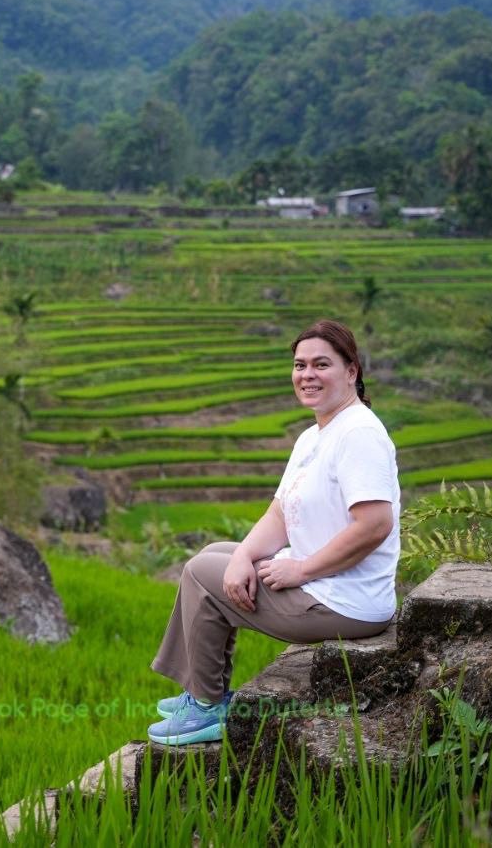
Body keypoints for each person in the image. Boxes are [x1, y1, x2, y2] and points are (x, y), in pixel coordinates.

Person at [147, 319, 400, 746]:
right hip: (327, 584)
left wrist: (301, 570)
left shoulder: (359, 434)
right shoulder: (313, 436)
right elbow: (280, 514)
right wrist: (245, 555)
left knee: (199, 572)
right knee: (220, 553)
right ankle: (201, 690)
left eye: (322, 364)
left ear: (351, 370)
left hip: (346, 601)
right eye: (300, 365)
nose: (307, 375)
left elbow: (375, 525)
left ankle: (205, 707)